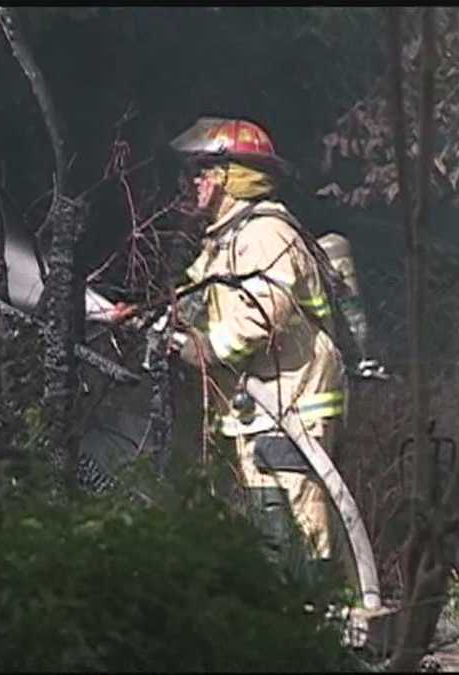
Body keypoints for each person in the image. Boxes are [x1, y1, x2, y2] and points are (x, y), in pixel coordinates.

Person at [124, 117, 349, 570]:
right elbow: (196, 301)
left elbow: (262, 317)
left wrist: (200, 350)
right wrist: (142, 315)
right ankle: (299, 614)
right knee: (271, 518)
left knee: (299, 521)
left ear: (229, 176)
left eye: (199, 172)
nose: (188, 184)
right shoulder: (227, 237)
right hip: (263, 407)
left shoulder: (264, 233)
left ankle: (325, 616)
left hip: (294, 399)